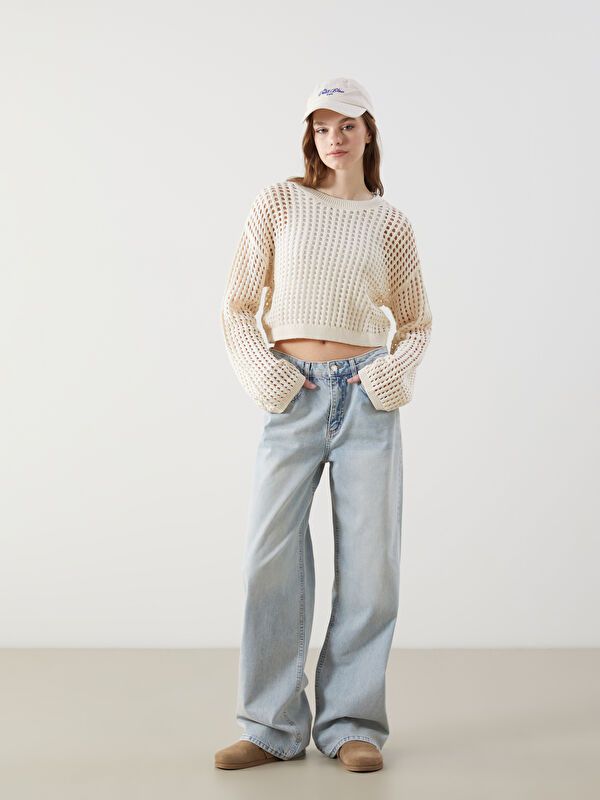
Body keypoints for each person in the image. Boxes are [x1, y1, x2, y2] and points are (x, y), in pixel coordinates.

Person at [215, 76, 433, 773]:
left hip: (367, 400)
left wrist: (389, 376)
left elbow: (417, 321)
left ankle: (352, 724)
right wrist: (271, 377)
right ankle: (271, 725)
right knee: (268, 561)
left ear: (368, 132)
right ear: (309, 136)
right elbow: (237, 307)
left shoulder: (389, 222)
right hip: (295, 396)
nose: (333, 138)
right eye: (321, 127)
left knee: (371, 568)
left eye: (347, 125)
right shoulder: (281, 202)